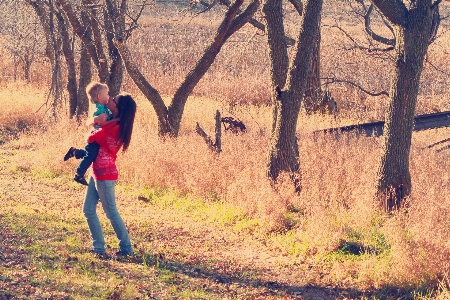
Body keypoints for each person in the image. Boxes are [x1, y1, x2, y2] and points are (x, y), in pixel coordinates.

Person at [82, 93, 137, 258]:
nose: (111, 99)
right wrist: (97, 120)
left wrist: (96, 122)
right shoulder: (111, 122)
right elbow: (91, 127)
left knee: (111, 211)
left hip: (105, 174)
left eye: (114, 100)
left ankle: (126, 249)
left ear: (119, 108)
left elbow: (91, 138)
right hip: (96, 171)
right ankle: (99, 248)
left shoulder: (116, 128)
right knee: (88, 210)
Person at [63, 82, 114, 186]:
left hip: (97, 136)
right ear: (99, 96)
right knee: (91, 155)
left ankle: (75, 152)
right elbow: (102, 121)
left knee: (91, 154)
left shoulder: (101, 106)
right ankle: (79, 173)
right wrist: (112, 119)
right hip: (96, 136)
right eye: (107, 94)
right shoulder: (99, 108)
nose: (109, 96)